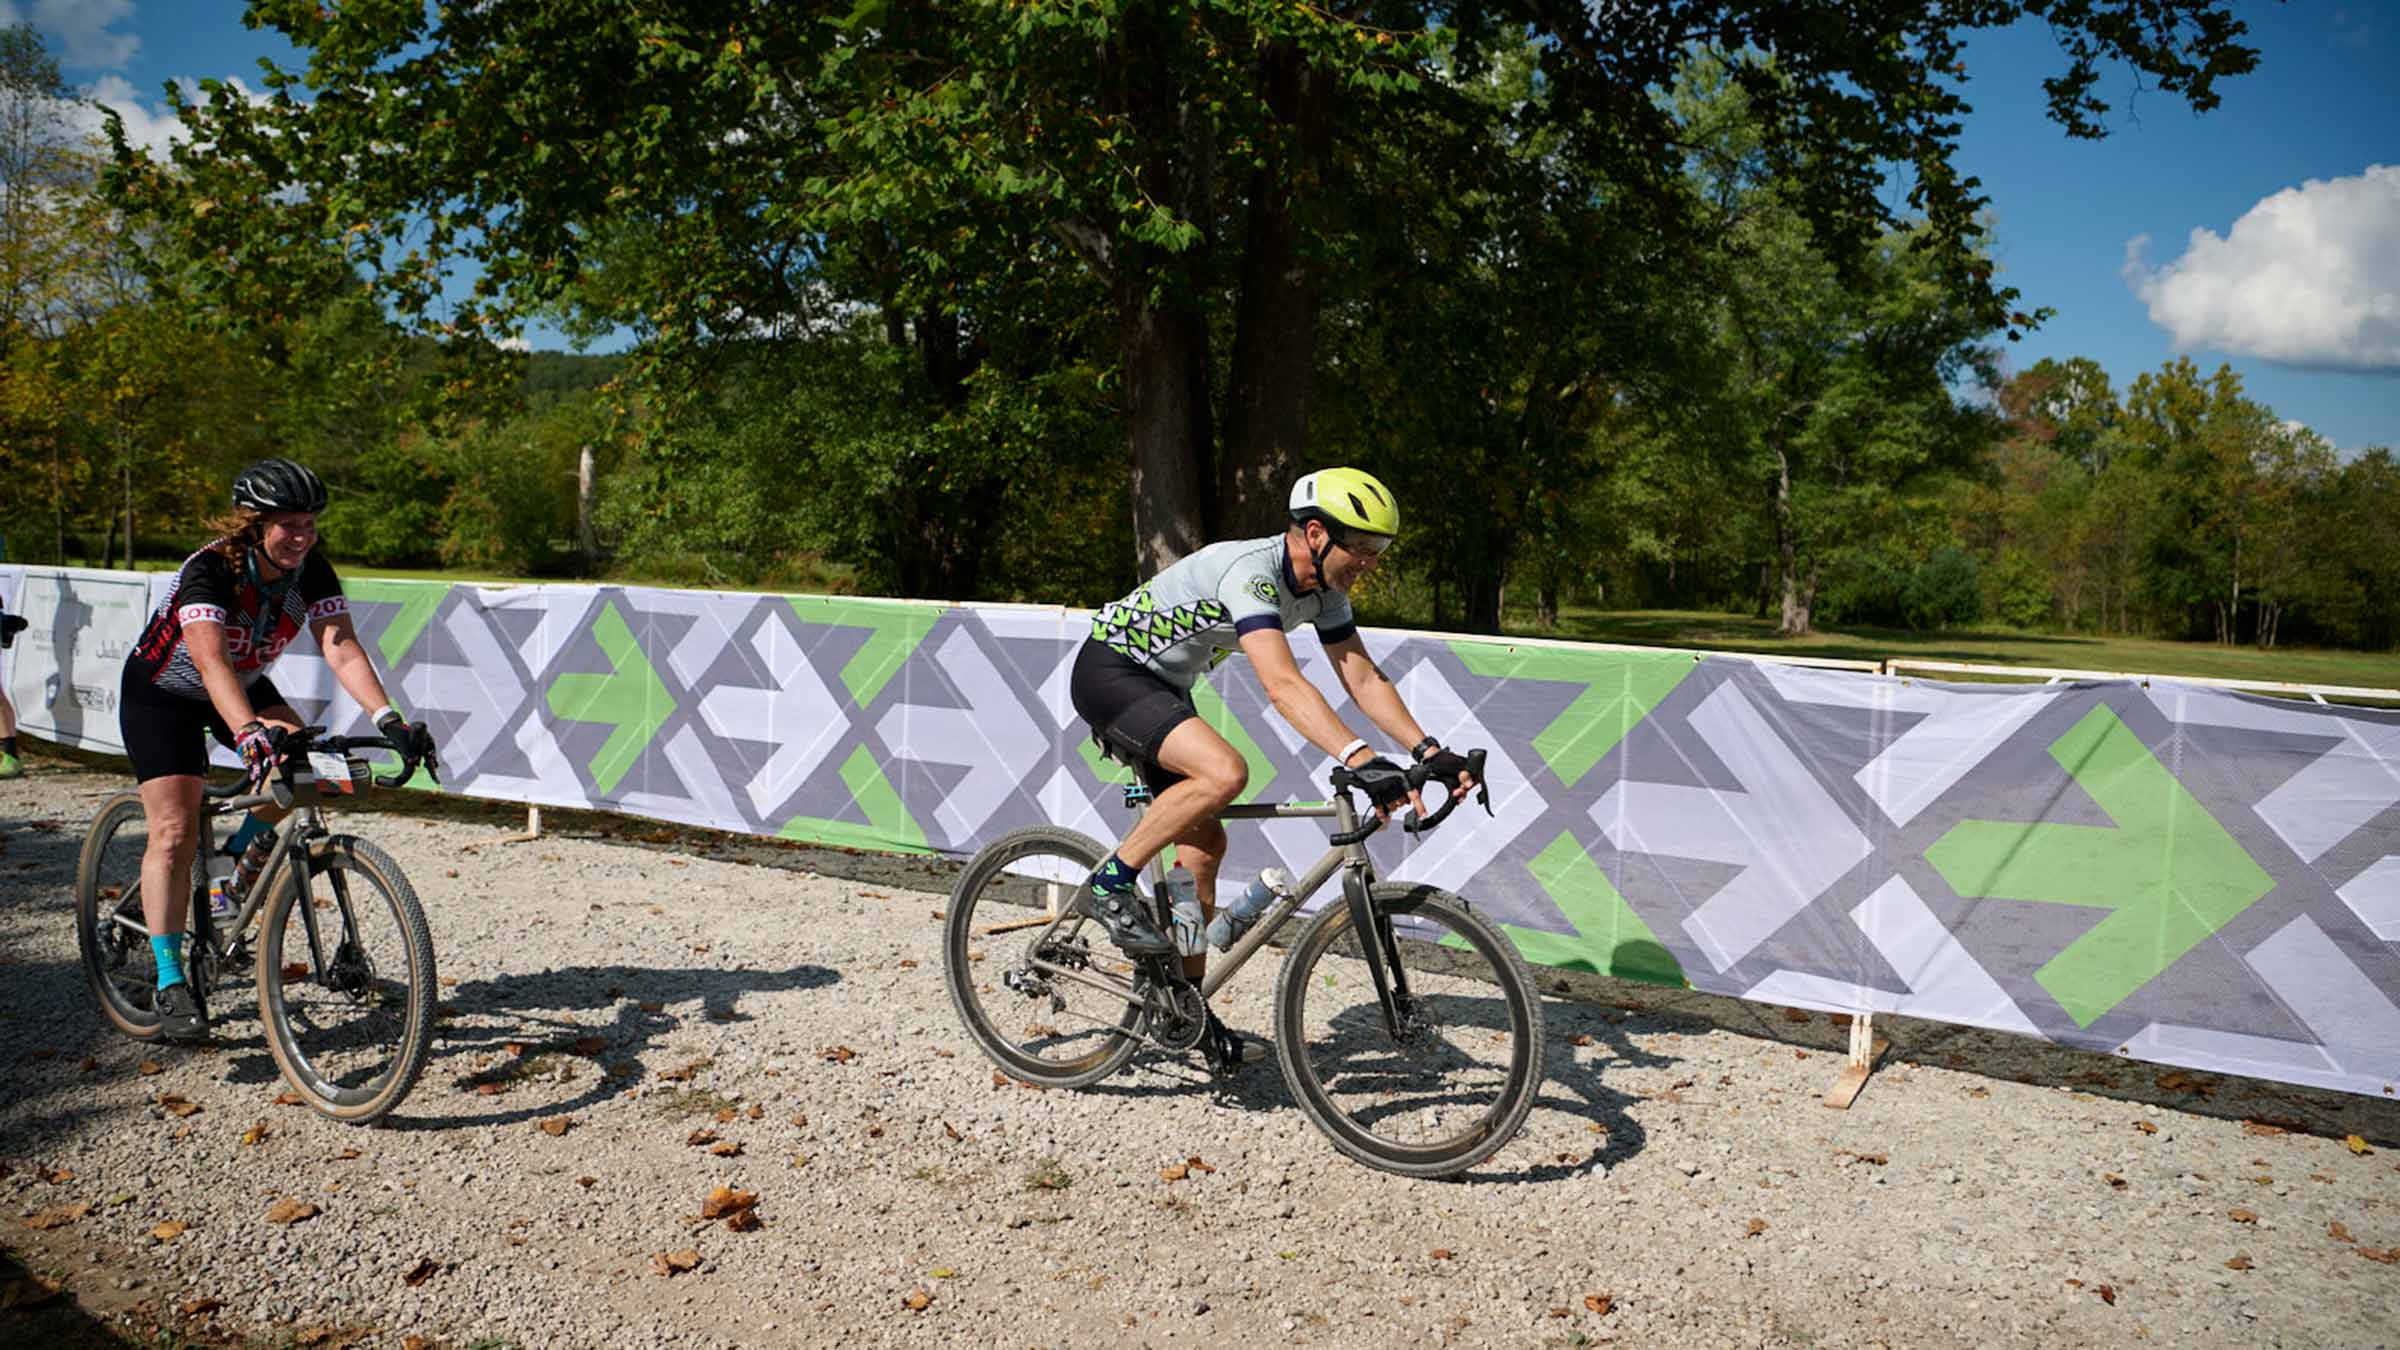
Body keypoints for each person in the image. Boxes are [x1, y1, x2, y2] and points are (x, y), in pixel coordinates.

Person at [1069, 466, 1480, 1072]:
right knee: (1224, 774)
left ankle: (1183, 1006)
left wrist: (1427, 750)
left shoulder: (1324, 593)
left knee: (1203, 846)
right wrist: (1360, 758)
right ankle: (1107, 886)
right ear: (1315, 533)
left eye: (1380, 550)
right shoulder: (1253, 575)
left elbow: (1361, 676)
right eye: (1363, 549)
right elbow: (1283, 684)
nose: (1372, 563)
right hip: (1112, 671)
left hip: (1163, 685)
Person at [118, 458, 437, 1043]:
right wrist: (246, 733)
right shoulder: (209, 570)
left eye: (310, 524)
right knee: (173, 831)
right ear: (253, 524)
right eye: (288, 524)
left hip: (241, 683)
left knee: (305, 770)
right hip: (166, 691)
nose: (302, 536)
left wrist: (388, 719)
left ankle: (230, 869)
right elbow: (210, 662)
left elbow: (340, 647)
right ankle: (168, 977)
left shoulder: (310, 571)